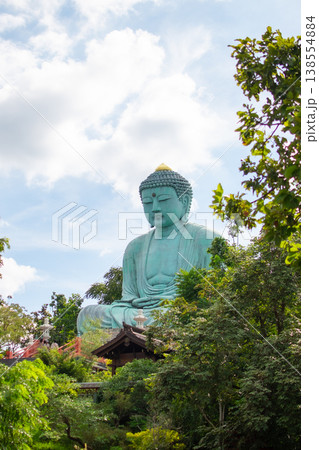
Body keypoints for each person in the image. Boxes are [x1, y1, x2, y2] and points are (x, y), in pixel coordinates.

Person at [77, 164, 216, 333]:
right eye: (148, 202)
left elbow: (213, 296)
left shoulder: (205, 239)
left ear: (185, 201)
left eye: (163, 200)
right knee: (88, 314)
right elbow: (128, 298)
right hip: (138, 314)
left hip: (180, 312)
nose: (155, 207)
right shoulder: (135, 247)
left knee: (187, 314)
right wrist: (129, 310)